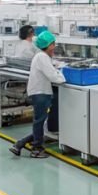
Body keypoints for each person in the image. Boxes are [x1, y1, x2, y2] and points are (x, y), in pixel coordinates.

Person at [10, 31, 65, 159]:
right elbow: (54, 77)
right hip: (40, 92)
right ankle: (36, 149)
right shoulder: (42, 57)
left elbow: (49, 69)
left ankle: (19, 144)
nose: (54, 47)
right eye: (53, 44)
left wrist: (55, 67)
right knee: (39, 122)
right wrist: (62, 75)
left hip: (39, 92)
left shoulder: (42, 56)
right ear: (49, 45)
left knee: (40, 122)